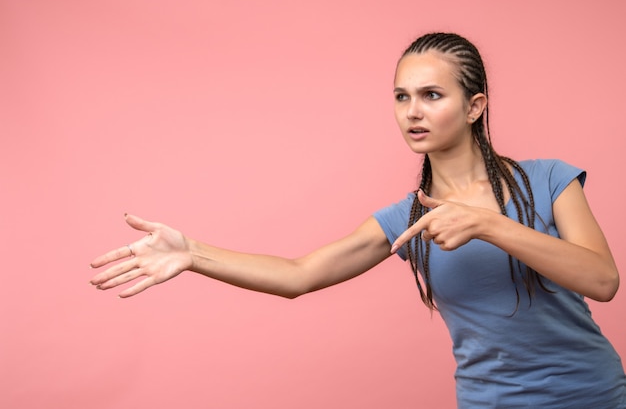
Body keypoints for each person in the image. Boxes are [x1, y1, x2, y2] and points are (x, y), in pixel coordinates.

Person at [90, 32, 626, 407]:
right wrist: (193, 254)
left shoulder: (549, 180)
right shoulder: (407, 219)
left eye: (432, 95)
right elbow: (298, 275)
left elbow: (602, 280)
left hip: (593, 395)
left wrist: (489, 224)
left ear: (474, 106)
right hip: (489, 403)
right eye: (401, 97)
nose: (412, 111)